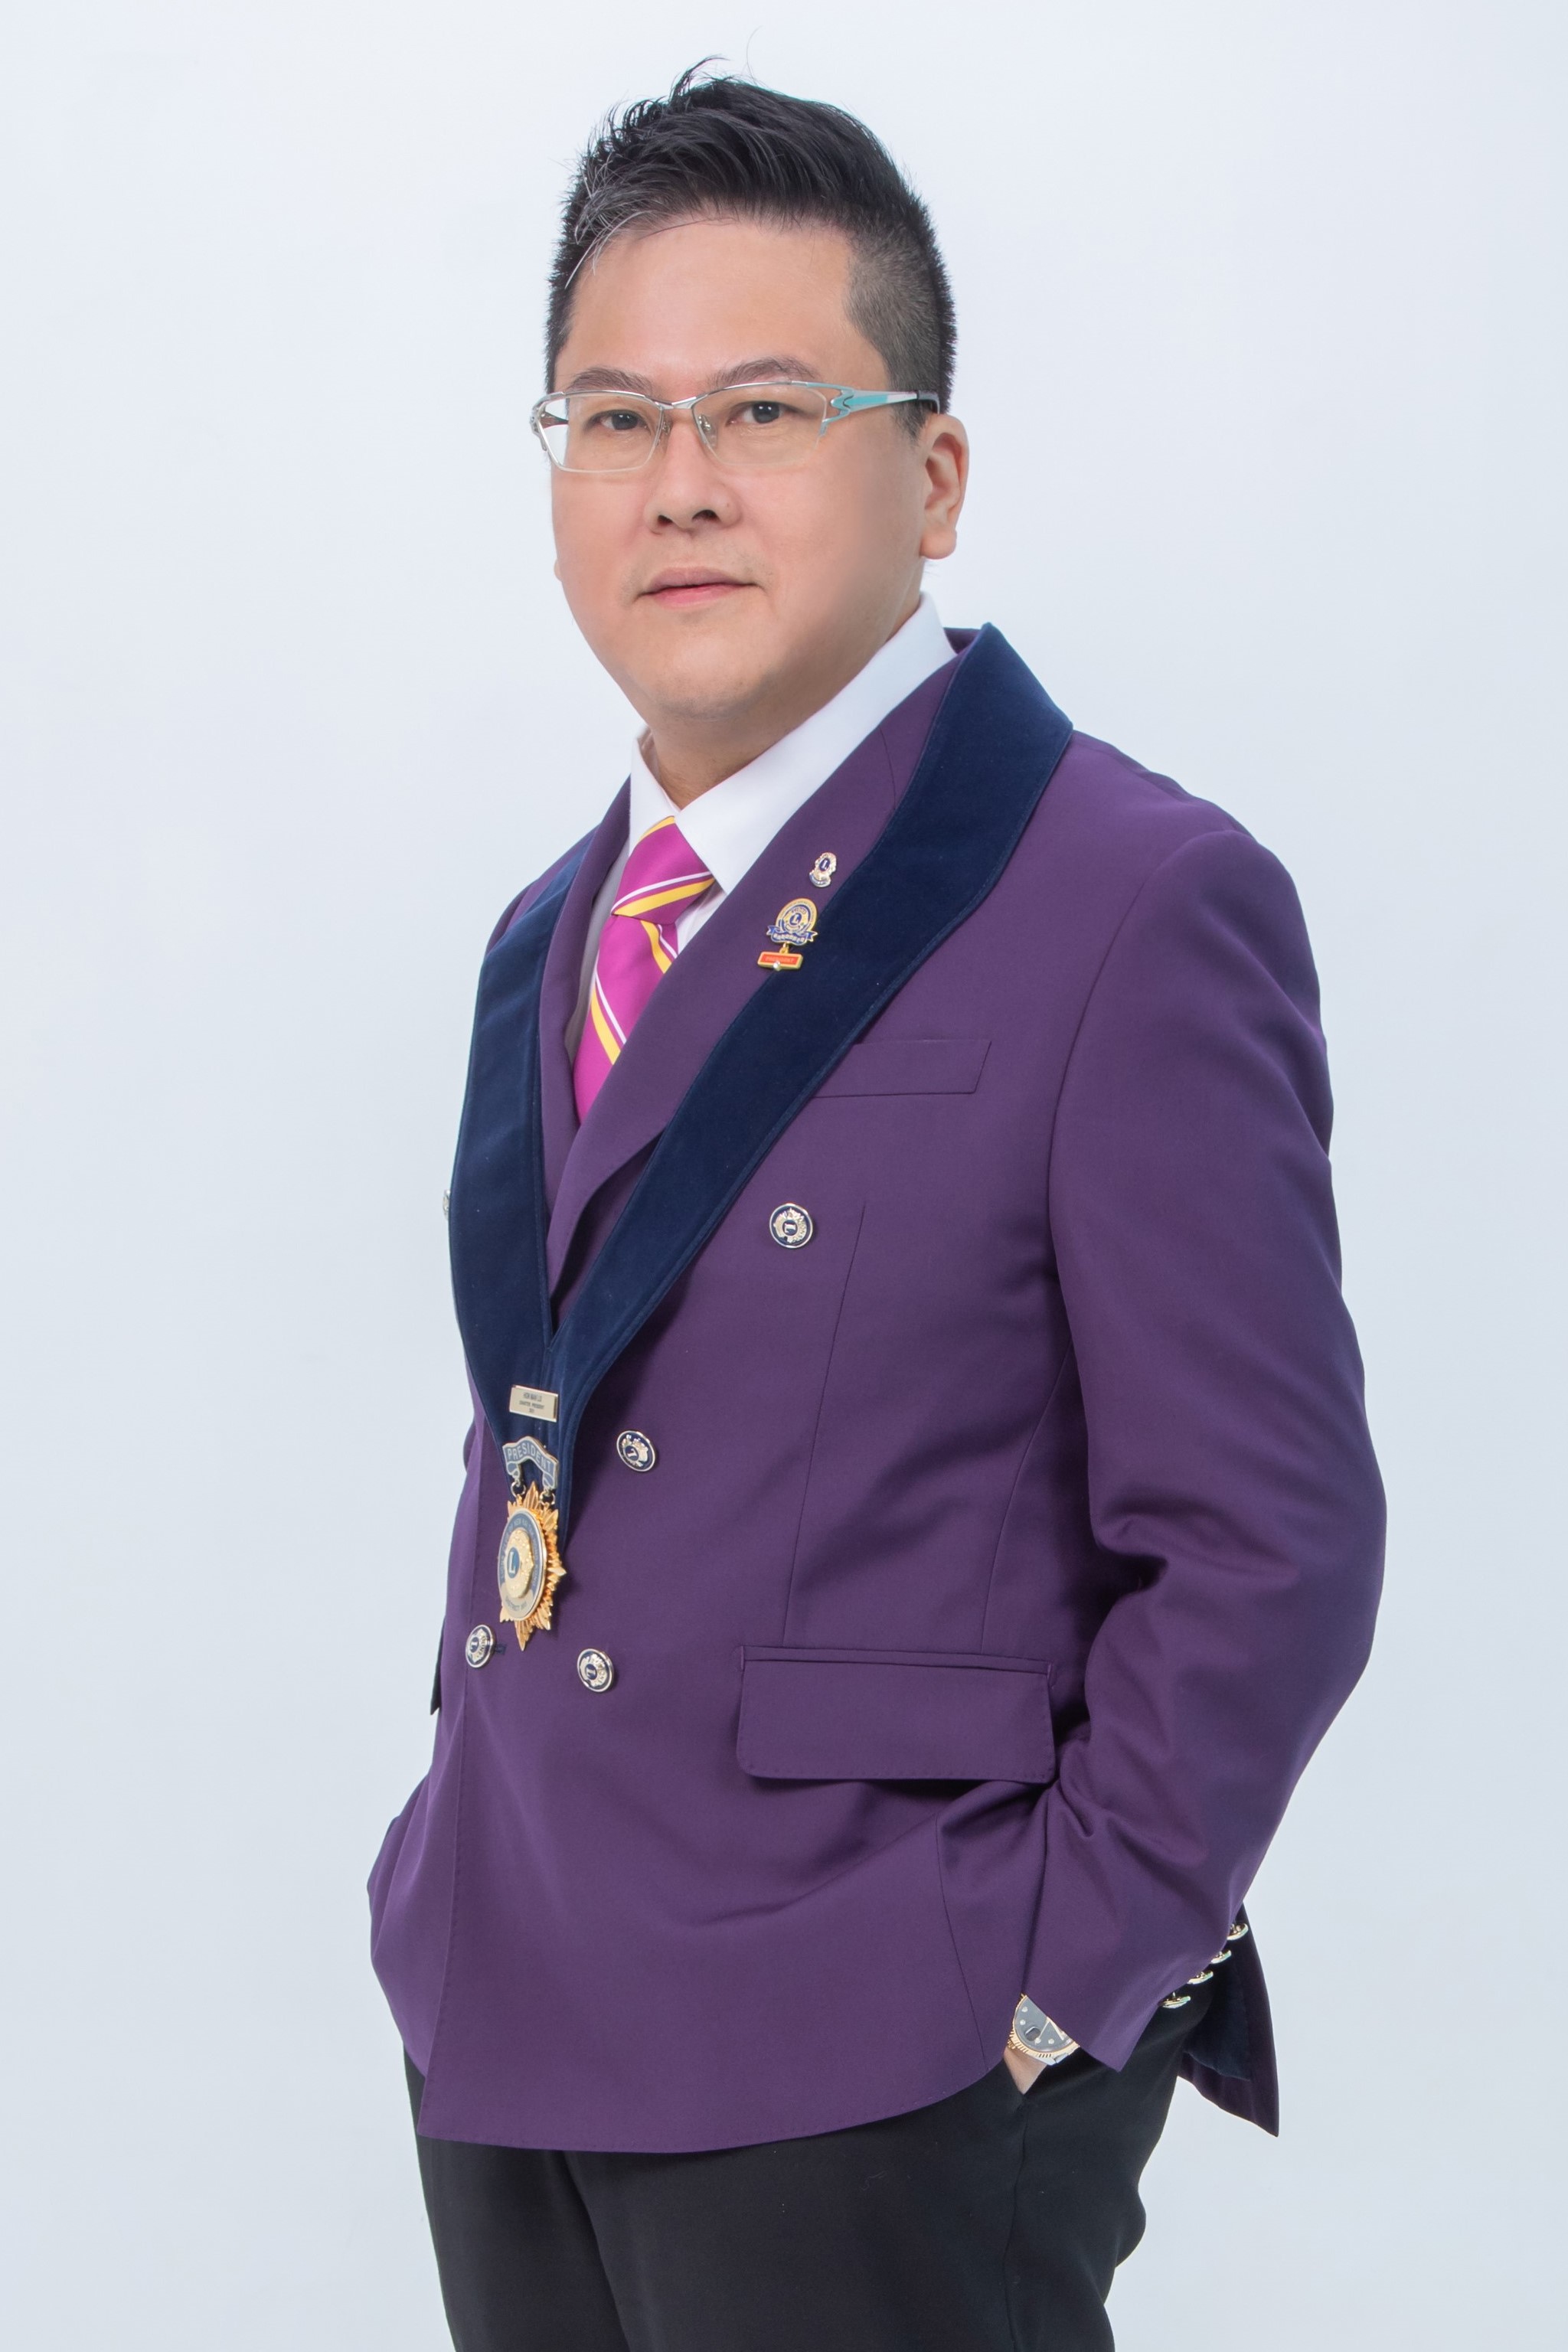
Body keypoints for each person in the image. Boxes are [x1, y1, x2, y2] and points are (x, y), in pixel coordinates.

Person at [368, 67, 1384, 2352]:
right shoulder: (549, 934)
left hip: (879, 2051)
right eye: (613, 420)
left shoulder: (1131, 900)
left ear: (932, 477)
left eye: (766, 408)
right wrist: (438, 1843)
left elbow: (1275, 1539)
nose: (682, 481)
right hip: (509, 2012)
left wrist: (1053, 1989)